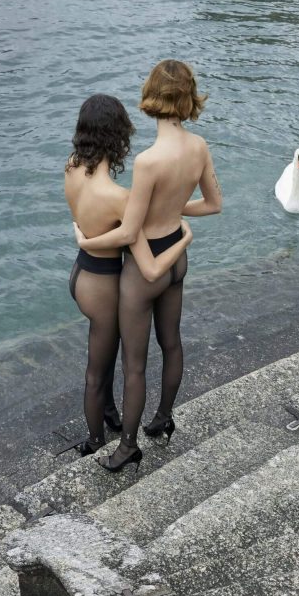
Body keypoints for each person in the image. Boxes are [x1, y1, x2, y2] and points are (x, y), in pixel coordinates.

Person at [73, 60, 222, 473]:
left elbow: (128, 234)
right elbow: (213, 204)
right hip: (178, 253)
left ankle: (127, 447)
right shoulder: (200, 146)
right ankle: (164, 418)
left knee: (134, 364)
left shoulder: (148, 162)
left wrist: (87, 241)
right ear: (188, 97)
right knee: (171, 343)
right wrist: (176, 212)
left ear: (151, 96)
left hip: (145, 270)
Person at [65, 93, 192, 456]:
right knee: (96, 372)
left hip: (80, 274)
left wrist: (84, 240)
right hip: (103, 285)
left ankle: (107, 413)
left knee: (100, 363)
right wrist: (183, 238)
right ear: (118, 136)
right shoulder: (118, 197)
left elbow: (82, 217)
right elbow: (147, 263)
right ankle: (94, 442)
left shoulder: (71, 166)